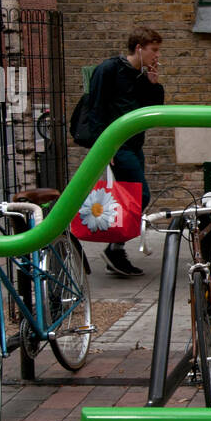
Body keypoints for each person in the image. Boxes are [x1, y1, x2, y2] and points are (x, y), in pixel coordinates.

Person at [85, 26, 165, 277]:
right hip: (116, 146)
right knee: (139, 196)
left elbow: (151, 113)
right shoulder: (108, 70)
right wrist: (103, 147)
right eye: (153, 50)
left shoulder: (139, 76)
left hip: (133, 144)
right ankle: (115, 248)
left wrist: (153, 84)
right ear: (139, 48)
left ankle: (116, 249)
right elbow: (95, 108)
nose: (156, 56)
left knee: (130, 196)